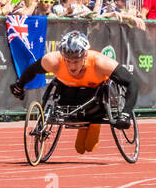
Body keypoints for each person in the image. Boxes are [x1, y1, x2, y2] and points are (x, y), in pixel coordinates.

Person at [9, 31, 138, 153]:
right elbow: (32, 70)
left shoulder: (100, 62)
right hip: (67, 96)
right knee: (79, 149)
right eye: (68, 61)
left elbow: (132, 82)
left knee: (88, 147)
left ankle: (92, 125)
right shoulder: (53, 61)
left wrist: (125, 114)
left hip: (95, 102)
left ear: (85, 55)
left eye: (76, 61)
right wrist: (19, 86)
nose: (71, 66)